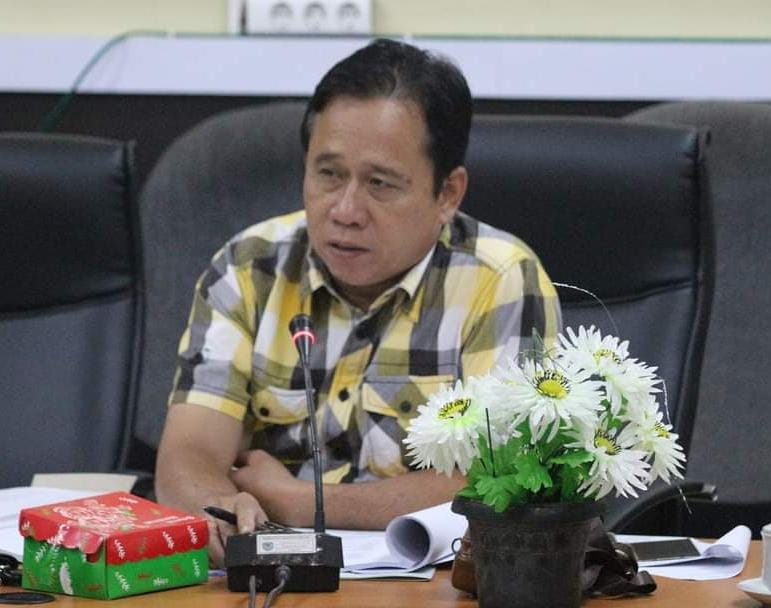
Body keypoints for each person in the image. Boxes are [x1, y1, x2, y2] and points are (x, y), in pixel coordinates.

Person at [155, 38, 561, 566]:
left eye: (380, 184)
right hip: (272, 577)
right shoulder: (249, 267)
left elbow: (507, 481)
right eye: (328, 174)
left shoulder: (501, 280)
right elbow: (189, 451)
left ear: (447, 194)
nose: (345, 210)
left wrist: (304, 503)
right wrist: (219, 507)